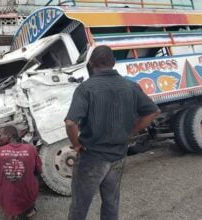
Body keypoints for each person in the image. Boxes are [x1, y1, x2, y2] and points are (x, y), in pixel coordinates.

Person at [65, 46, 161, 220]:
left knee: (80, 206)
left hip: (91, 158)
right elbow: (153, 111)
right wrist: (132, 130)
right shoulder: (130, 86)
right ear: (113, 63)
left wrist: (77, 144)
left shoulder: (86, 88)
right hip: (118, 155)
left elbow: (70, 122)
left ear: (92, 64)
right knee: (111, 203)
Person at [0, 126, 42, 220]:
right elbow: (39, 171)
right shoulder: (31, 149)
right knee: (34, 177)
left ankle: (11, 208)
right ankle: (29, 209)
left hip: (8, 197)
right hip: (29, 196)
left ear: (9, 136)